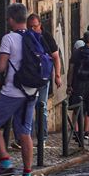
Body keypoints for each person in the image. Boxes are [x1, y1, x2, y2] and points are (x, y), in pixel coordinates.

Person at [0, 3, 37, 176]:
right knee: (25, 133)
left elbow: (1, 67)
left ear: (10, 20)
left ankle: (5, 160)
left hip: (12, 91)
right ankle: (27, 174)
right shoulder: (35, 36)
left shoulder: (8, 39)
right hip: (31, 91)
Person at [24, 14, 61, 142]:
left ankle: (42, 138)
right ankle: (26, 138)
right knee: (27, 107)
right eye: (30, 26)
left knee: (41, 106)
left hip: (43, 78)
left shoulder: (46, 37)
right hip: (29, 77)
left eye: (35, 26)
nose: (33, 29)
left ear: (40, 24)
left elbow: (56, 57)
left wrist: (57, 76)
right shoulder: (25, 36)